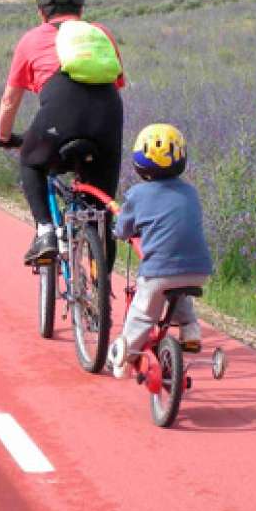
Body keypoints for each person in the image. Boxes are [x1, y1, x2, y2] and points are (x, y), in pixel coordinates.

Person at [0, 0, 126, 265]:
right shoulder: (102, 34)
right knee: (100, 210)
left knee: (31, 160)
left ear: (42, 13)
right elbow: (117, 82)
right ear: (80, 11)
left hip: (60, 115)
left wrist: (4, 136)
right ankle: (100, 290)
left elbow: (9, 100)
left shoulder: (31, 39)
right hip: (108, 115)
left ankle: (45, 232)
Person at [108, 123, 212, 379]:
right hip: (198, 270)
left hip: (159, 272)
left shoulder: (137, 194)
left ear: (139, 163)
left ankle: (124, 357)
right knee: (178, 292)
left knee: (143, 313)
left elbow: (123, 229)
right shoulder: (191, 192)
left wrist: (119, 230)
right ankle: (190, 331)